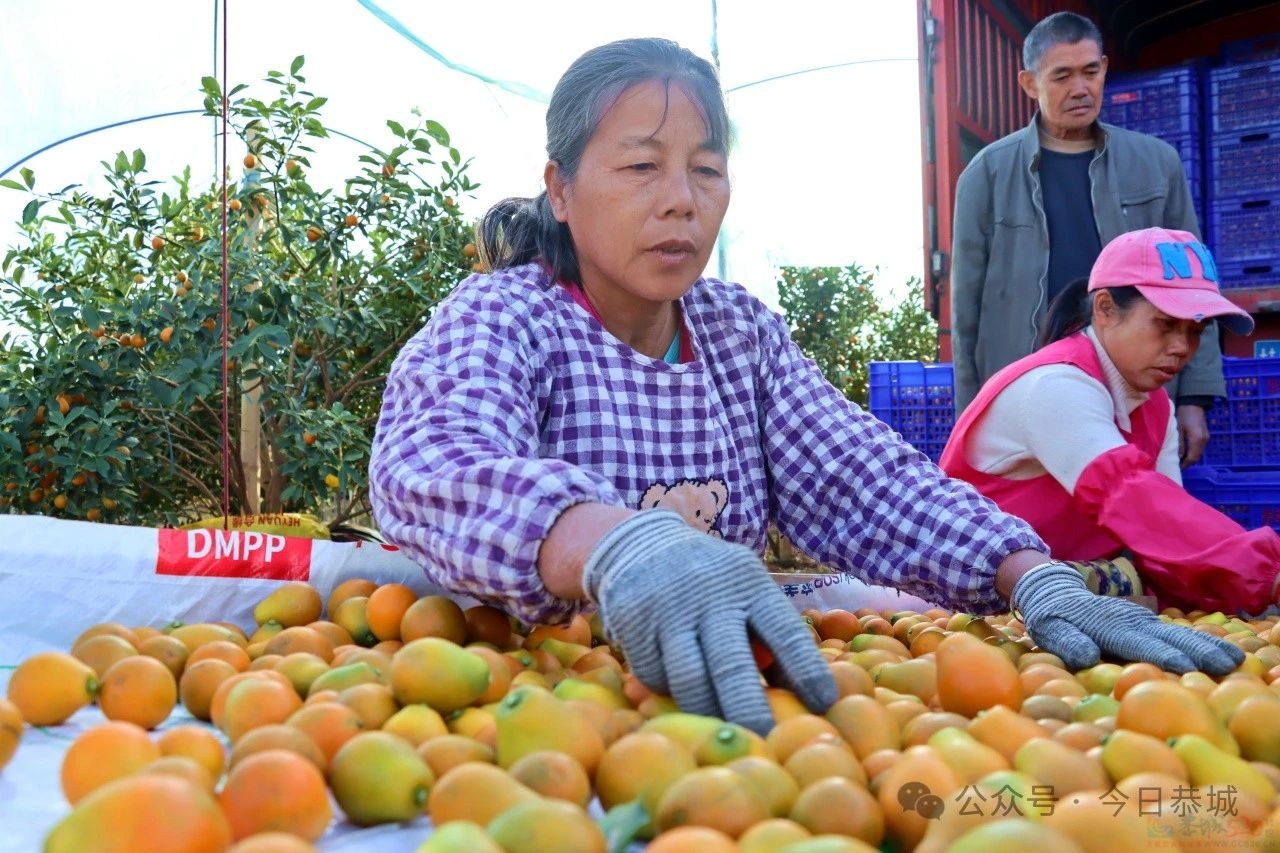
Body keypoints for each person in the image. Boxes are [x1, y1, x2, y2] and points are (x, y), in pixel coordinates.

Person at [367, 38, 1241, 736]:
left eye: (706, 170)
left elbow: (861, 480)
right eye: (641, 167)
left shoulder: (736, 336)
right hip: (532, 704)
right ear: (561, 189)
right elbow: (434, 458)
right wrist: (612, 545)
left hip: (716, 716)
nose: (681, 201)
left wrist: (1027, 572)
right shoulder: (507, 316)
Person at [942, 227, 1280, 617]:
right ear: (1104, 309)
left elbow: (1163, 539)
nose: (1182, 347)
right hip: (980, 603)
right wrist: (1267, 573)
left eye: (1195, 332)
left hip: (1069, 602)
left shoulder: (1156, 406)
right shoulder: (1056, 386)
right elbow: (1127, 494)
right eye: (1166, 324)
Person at [950, 11, 1225, 469]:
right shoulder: (986, 174)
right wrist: (971, 419)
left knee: (1140, 516)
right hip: (1031, 397)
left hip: (1137, 391)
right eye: (1062, 76)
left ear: (1104, 69)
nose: (1081, 88)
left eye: (1091, 71)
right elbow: (967, 317)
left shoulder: (1156, 162)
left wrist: (1195, 397)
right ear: (1029, 83)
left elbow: (1196, 287)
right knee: (1035, 532)